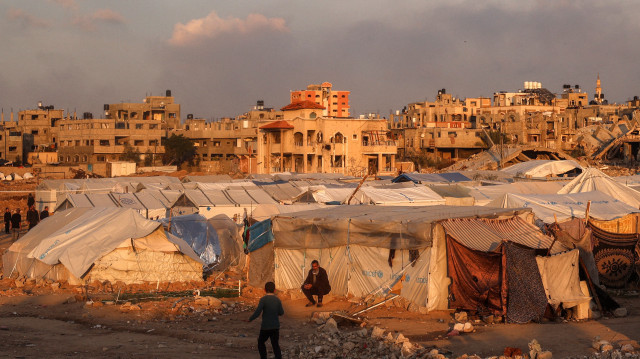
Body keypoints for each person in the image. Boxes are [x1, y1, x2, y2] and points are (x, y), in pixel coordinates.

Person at [248, 281, 284, 359]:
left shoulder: (263, 299)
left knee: (261, 342)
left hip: (265, 326)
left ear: (264, 290)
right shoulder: (277, 300)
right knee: (275, 345)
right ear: (274, 290)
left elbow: (258, 312)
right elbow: (281, 312)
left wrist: (250, 319)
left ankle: (263, 357)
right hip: (275, 326)